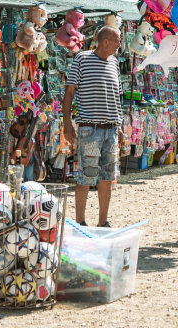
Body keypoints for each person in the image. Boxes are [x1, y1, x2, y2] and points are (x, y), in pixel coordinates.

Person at [62, 25, 124, 227]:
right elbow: (69, 92)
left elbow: (117, 97)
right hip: (90, 129)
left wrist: (120, 126)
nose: (119, 45)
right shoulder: (82, 59)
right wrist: (67, 124)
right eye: (117, 41)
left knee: (108, 177)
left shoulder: (114, 63)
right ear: (105, 41)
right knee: (86, 177)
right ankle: (80, 221)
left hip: (111, 129)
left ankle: (102, 222)